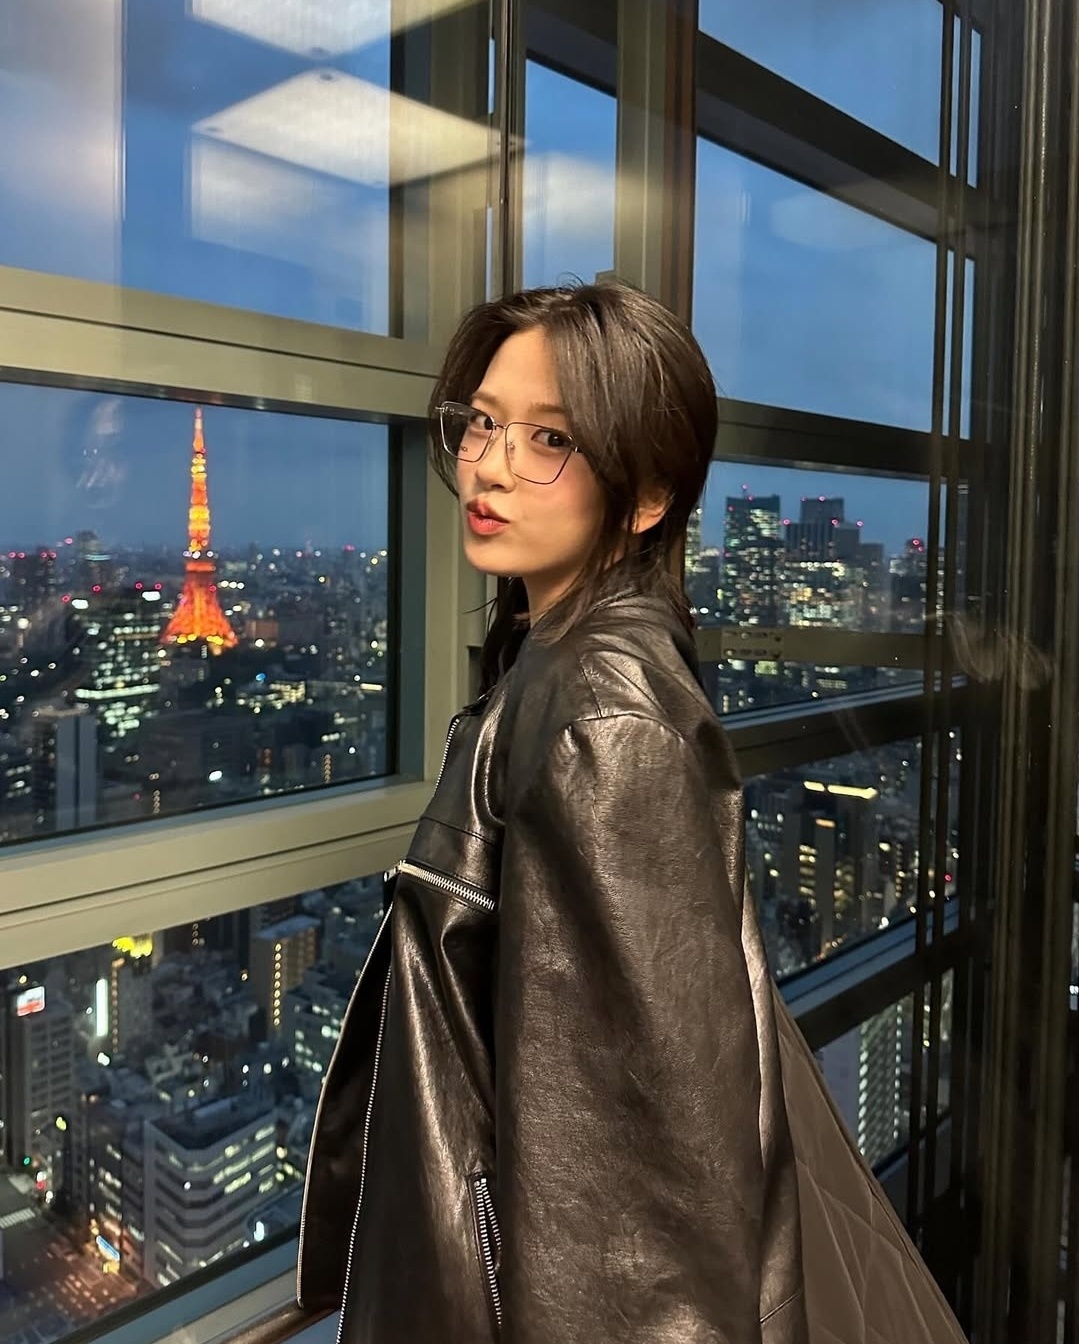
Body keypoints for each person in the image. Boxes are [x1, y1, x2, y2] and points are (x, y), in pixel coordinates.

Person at [296, 281, 808, 1342]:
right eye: (482, 422)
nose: (488, 465)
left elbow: (648, 1203)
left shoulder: (601, 722)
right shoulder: (559, 662)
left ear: (647, 495)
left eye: (550, 439)